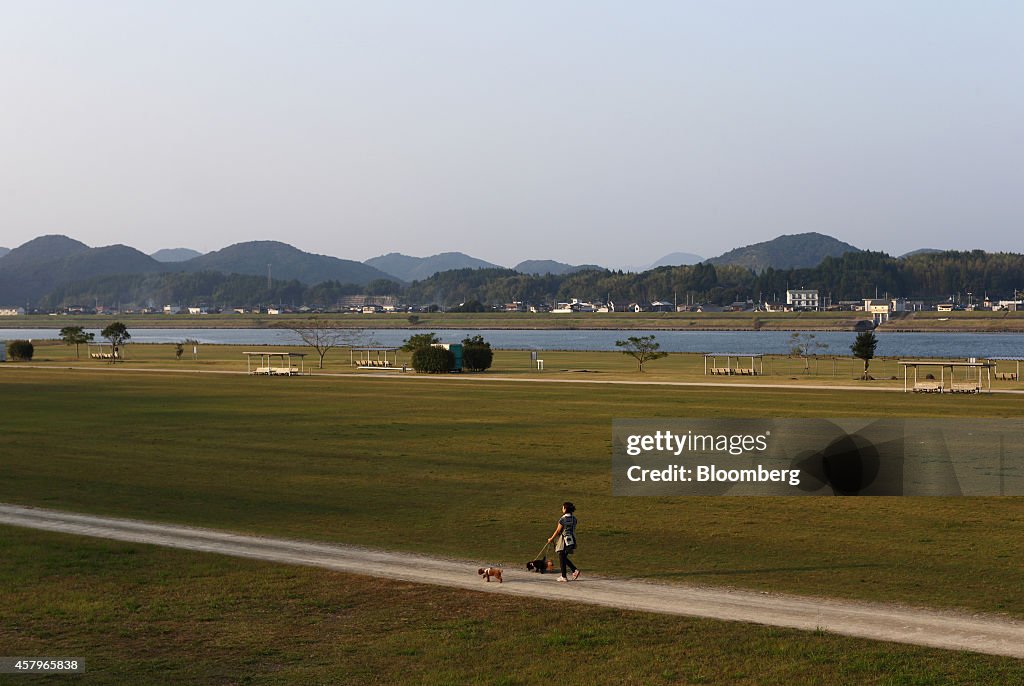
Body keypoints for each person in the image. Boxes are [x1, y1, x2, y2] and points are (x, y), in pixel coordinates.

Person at [547, 501, 579, 582]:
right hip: (572, 539)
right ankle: (574, 570)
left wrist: (551, 538)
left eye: (563, 507)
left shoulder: (563, 519)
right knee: (563, 556)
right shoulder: (574, 519)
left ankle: (564, 576)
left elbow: (558, 531)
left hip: (564, 540)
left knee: (562, 556)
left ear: (565, 509)